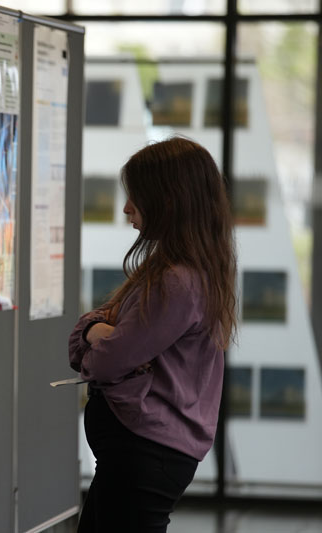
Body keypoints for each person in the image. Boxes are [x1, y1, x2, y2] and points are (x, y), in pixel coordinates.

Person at [69, 137, 237, 532]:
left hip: (146, 454)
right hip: (139, 455)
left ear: (168, 201)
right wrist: (99, 331)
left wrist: (97, 336)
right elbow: (96, 328)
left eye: (136, 196)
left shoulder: (178, 281)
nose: (126, 207)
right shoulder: (173, 269)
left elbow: (108, 359)